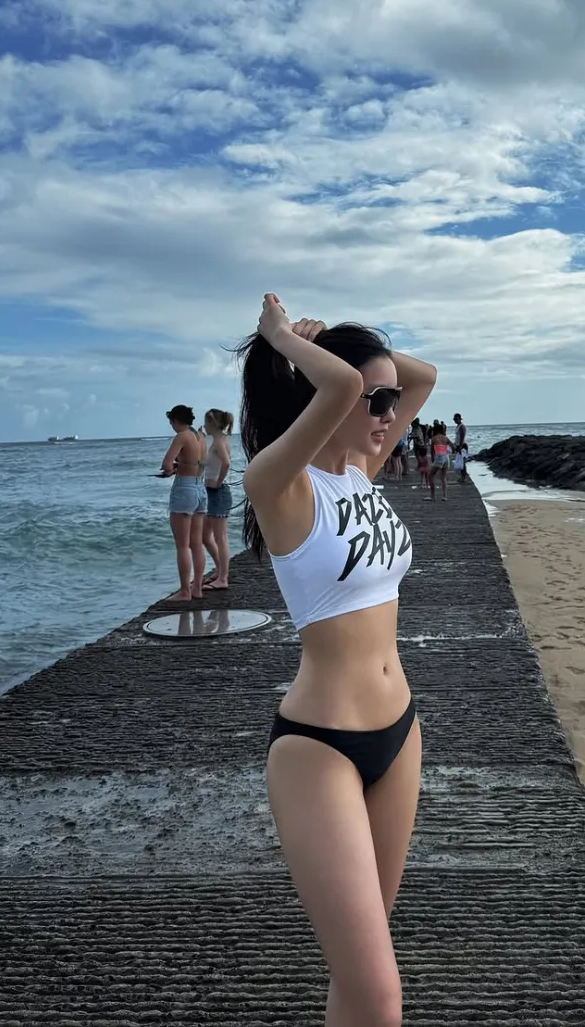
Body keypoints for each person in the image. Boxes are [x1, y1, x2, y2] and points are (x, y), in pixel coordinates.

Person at [237, 293, 436, 1026]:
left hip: (400, 732)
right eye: (374, 400)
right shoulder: (280, 487)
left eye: (389, 401)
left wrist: (339, 339)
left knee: (361, 977)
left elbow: (423, 376)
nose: (389, 411)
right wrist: (284, 339)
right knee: (379, 992)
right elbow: (345, 382)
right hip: (319, 749)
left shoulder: (360, 471)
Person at [160, 405, 207, 601]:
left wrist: (171, 469)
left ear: (176, 421)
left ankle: (184, 591)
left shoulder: (182, 436)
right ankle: (197, 588)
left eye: (171, 421)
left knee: (182, 545)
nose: (171, 425)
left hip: (184, 489)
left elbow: (166, 463)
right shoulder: (200, 436)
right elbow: (200, 463)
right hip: (200, 488)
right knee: (196, 543)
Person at [202, 408, 234, 590]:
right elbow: (210, 465)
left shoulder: (220, 441)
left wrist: (218, 482)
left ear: (212, 423)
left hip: (218, 493)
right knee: (205, 536)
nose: (204, 426)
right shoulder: (216, 441)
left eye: (206, 422)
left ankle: (223, 579)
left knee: (220, 538)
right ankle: (219, 570)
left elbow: (226, 463)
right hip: (211, 493)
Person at [428, 422, 452, 502]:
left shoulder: (434, 438)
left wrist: (432, 460)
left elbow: (432, 451)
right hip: (446, 457)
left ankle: (432, 496)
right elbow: (453, 447)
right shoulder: (445, 438)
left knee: (430, 475)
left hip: (439, 457)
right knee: (443, 477)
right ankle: (444, 496)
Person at [452, 412, 468, 483]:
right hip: (458, 445)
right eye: (454, 419)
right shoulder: (457, 426)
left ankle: (464, 478)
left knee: (462, 463)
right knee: (460, 463)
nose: (455, 420)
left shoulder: (462, 426)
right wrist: (455, 444)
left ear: (459, 419)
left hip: (462, 446)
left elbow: (462, 436)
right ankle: (462, 477)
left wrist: (460, 446)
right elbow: (457, 437)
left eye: (456, 419)